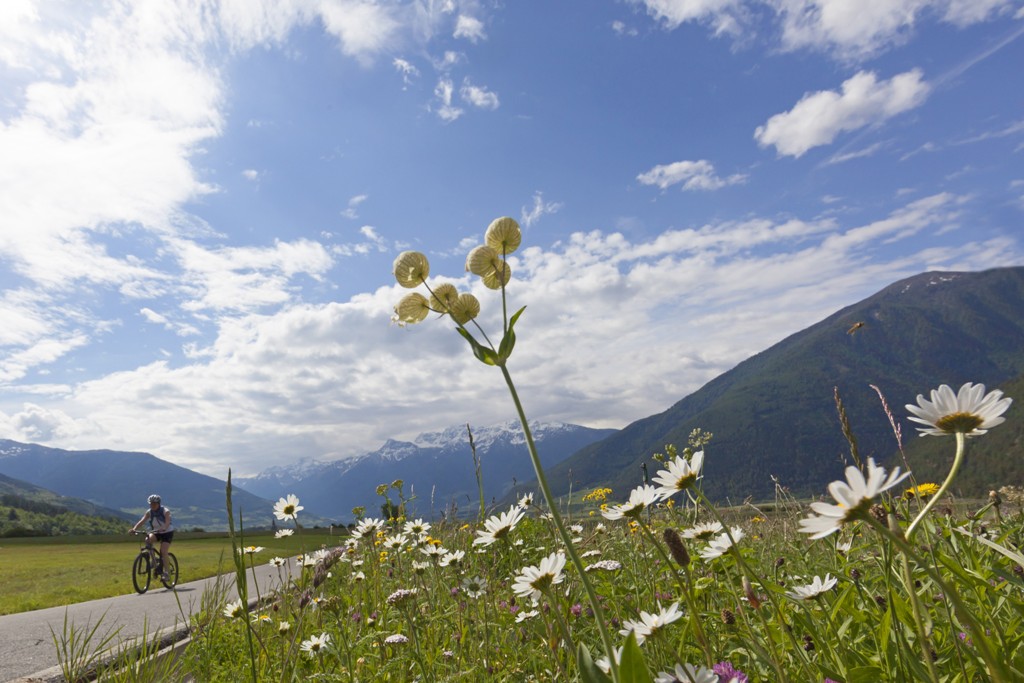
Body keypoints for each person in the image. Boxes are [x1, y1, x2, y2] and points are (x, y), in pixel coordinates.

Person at [130, 494, 174, 581]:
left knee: (164, 551)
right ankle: (154, 562)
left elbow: (168, 521)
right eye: (151, 504)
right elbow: (142, 521)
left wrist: (165, 527)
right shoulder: (149, 512)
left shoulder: (165, 511)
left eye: (154, 504)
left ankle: (167, 573)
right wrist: (134, 529)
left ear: (158, 503)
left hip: (167, 532)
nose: (152, 505)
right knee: (148, 540)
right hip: (156, 531)